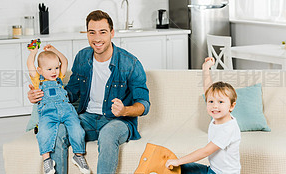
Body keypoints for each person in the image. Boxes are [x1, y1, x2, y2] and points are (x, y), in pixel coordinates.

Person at [28, 10, 150, 174]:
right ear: (87, 34)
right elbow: (70, 93)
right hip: (87, 117)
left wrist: (125, 110)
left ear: (112, 33)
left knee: (108, 134)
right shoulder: (83, 57)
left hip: (118, 121)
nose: (97, 38)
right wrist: (41, 96)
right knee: (58, 132)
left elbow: (144, 104)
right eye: (92, 32)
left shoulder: (130, 63)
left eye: (103, 32)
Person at [165, 57, 241, 174]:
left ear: (231, 106)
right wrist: (205, 68)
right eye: (211, 102)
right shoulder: (218, 117)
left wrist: (179, 161)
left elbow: (205, 151)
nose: (214, 106)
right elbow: (208, 90)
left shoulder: (228, 129)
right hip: (212, 169)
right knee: (179, 169)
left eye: (220, 102)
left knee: (179, 165)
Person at [27, 44, 90, 174]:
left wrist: (54, 50)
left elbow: (64, 61)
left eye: (56, 67)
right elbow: (30, 65)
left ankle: (78, 156)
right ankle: (47, 160)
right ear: (40, 70)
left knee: (77, 129)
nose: (54, 71)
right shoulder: (38, 81)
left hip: (66, 110)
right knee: (43, 132)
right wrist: (33, 53)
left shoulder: (59, 79)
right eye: (49, 69)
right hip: (48, 113)